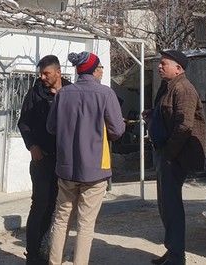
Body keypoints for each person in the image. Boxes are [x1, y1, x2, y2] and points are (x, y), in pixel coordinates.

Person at [46, 51, 125, 265]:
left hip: (66, 168)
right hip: (95, 169)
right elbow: (118, 130)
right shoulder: (106, 94)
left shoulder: (63, 94)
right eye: (100, 68)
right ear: (93, 69)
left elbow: (51, 127)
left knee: (61, 220)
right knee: (85, 224)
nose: (101, 72)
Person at [145, 50, 206, 265]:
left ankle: (177, 257)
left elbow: (184, 126)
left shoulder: (183, 89)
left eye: (164, 64)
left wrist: (170, 155)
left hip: (174, 156)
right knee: (165, 205)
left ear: (178, 68)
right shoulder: (167, 87)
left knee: (172, 207)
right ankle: (172, 250)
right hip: (164, 153)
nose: (160, 67)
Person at [18, 55, 72, 265]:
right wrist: (32, 146)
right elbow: (24, 123)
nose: (42, 77)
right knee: (40, 205)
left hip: (64, 161)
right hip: (41, 160)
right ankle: (32, 255)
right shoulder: (35, 93)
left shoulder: (70, 91)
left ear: (58, 72)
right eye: (40, 73)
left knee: (58, 208)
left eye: (46, 73)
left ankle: (51, 252)